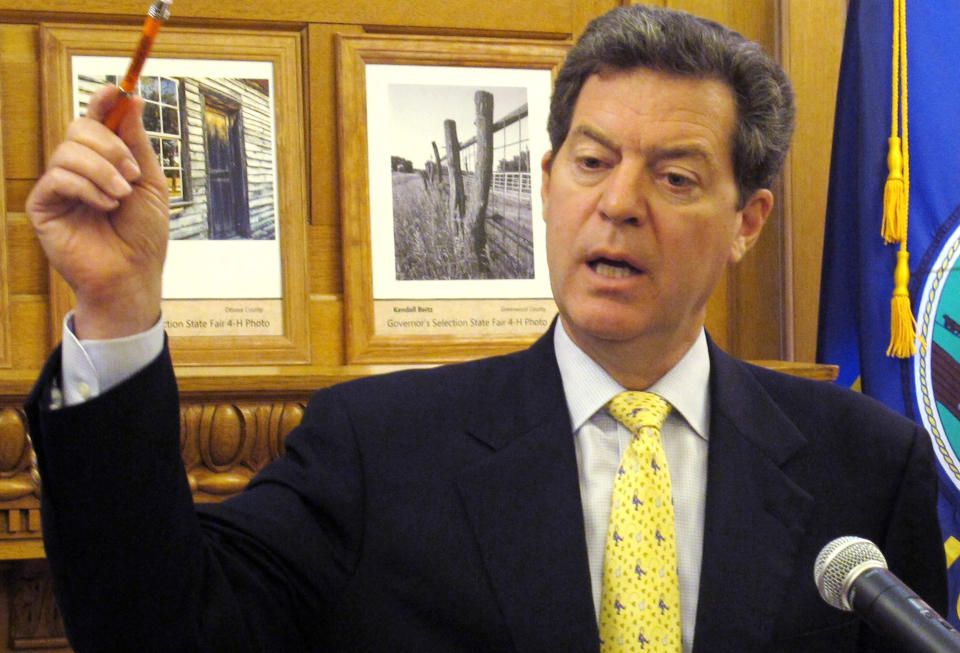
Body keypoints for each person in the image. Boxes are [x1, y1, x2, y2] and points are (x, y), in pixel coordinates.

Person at [24, 5, 946, 653]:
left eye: (674, 176)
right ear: (546, 183)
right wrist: (116, 309)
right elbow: (160, 628)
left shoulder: (864, 466)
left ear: (748, 221)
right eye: (592, 161)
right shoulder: (375, 451)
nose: (618, 204)